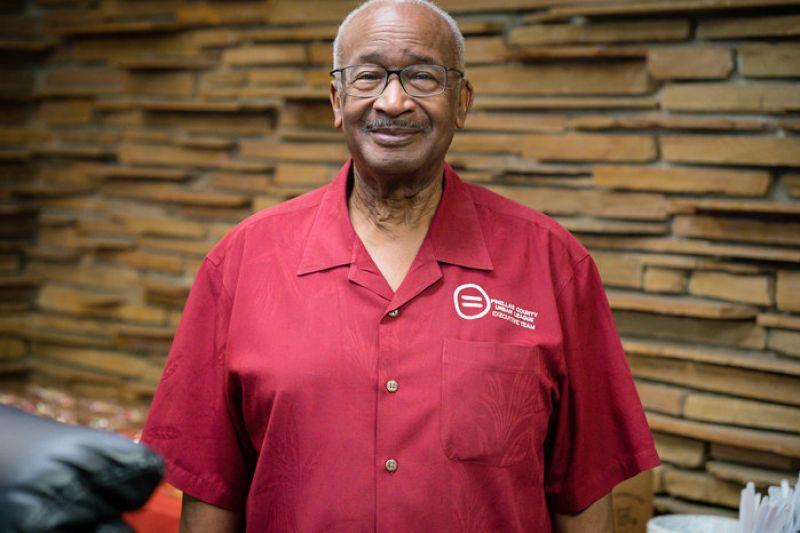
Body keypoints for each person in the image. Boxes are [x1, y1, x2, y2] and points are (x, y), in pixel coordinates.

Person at [141, 0, 660, 531]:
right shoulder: (242, 262)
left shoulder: (552, 264)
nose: (393, 102)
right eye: (368, 76)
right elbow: (212, 494)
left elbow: (581, 495)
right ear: (337, 99)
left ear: (462, 102)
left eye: (422, 77)